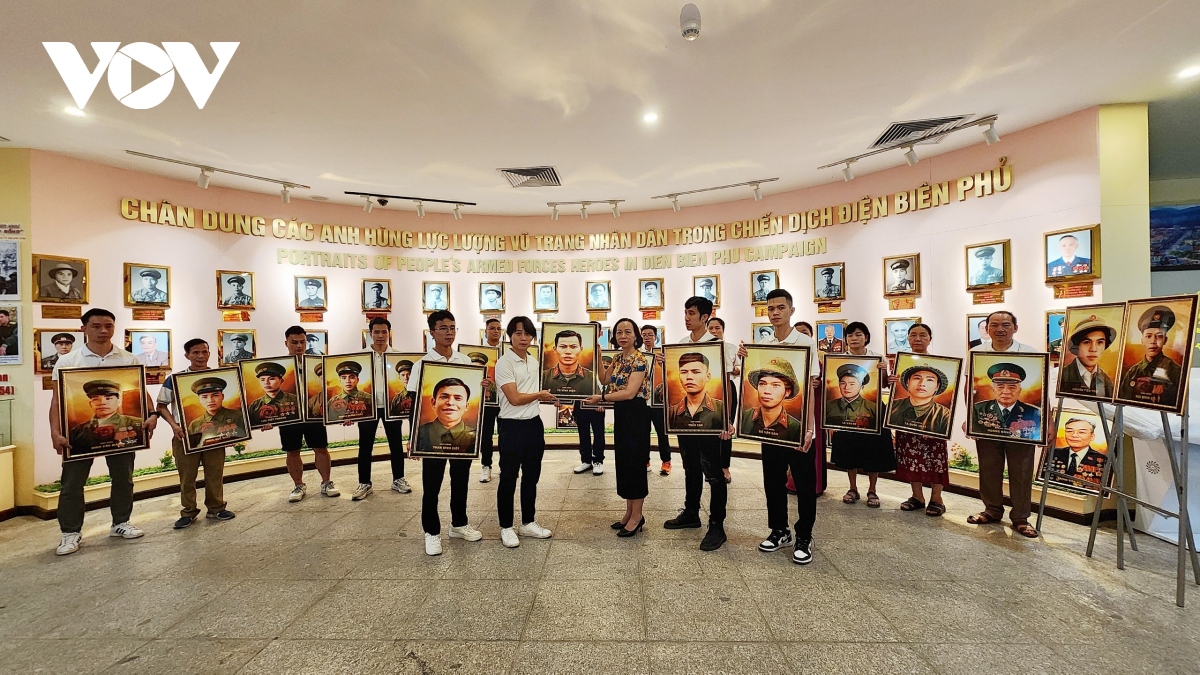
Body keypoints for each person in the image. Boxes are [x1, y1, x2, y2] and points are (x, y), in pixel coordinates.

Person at [49, 308, 158, 556]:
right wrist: (55, 432)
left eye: (108, 326)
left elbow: (143, 392)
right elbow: (57, 401)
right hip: (78, 440)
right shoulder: (68, 361)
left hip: (123, 434)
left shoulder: (128, 359)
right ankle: (70, 532)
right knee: (72, 483)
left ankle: (121, 522)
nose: (103, 331)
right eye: (96, 326)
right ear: (84, 329)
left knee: (123, 478)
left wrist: (152, 414)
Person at [738, 289, 821, 565]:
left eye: (780, 308)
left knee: (804, 483)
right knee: (772, 480)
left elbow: (809, 388)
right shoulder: (764, 343)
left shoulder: (805, 343)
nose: (775, 312)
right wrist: (744, 357)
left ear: (791, 310)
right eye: (771, 308)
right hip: (768, 429)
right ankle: (779, 530)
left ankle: (804, 536)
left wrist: (809, 428)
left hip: (797, 429)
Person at [409, 310, 482, 556]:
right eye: (443, 328)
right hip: (432, 438)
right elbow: (415, 406)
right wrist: (413, 439)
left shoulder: (464, 361)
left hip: (461, 436)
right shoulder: (421, 365)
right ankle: (431, 532)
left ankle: (459, 524)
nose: (449, 333)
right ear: (432, 332)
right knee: (431, 484)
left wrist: (483, 385)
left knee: (460, 480)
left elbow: (474, 395)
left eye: (452, 328)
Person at [661, 297, 729, 550]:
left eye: (691, 313)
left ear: (705, 317)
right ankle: (691, 512)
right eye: (685, 313)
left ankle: (717, 524)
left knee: (714, 473)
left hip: (710, 420)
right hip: (684, 419)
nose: (687, 318)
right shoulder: (680, 345)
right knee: (690, 466)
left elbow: (727, 387)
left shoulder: (719, 346)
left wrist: (727, 421)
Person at [967, 311, 1040, 538]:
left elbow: (1043, 393)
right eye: (994, 325)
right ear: (987, 328)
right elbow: (970, 389)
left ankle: (1021, 518)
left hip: (1024, 428)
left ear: (1015, 328)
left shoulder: (1030, 353)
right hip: (987, 424)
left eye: (1006, 325)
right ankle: (992, 509)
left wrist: (1047, 423)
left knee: (1021, 471)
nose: (1000, 329)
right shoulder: (976, 352)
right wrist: (971, 419)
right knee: (988, 468)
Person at [582, 318, 650, 538]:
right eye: (619, 332)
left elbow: (629, 393)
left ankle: (637, 516)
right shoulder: (619, 358)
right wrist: (598, 354)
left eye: (628, 332)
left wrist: (601, 398)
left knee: (636, 464)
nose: (623, 336)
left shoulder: (639, 359)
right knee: (625, 463)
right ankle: (629, 512)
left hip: (636, 414)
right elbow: (604, 379)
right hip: (622, 414)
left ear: (636, 335)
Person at [158, 338, 235, 529]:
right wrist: (174, 426)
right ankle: (188, 511)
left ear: (210, 353)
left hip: (214, 436)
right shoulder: (175, 379)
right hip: (185, 436)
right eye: (195, 352)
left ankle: (216, 508)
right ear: (187, 355)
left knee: (215, 473)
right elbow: (161, 406)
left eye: (204, 352)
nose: (201, 356)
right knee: (187, 476)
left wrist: (234, 432)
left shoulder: (219, 375)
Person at [494, 315, 558, 547]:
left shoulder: (534, 361)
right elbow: (514, 398)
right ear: (510, 336)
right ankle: (506, 527)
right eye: (518, 333)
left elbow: (538, 392)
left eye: (528, 334)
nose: (523, 338)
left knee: (532, 476)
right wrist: (540, 395)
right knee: (508, 477)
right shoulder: (504, 363)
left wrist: (553, 397)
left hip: (533, 424)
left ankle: (528, 522)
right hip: (511, 426)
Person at [828, 322, 896, 509]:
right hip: (845, 413)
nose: (854, 338)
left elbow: (883, 384)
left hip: (873, 411)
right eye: (850, 335)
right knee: (849, 450)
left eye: (858, 334)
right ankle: (852, 488)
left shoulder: (877, 357)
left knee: (874, 449)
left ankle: (872, 490)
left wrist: (886, 374)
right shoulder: (838, 359)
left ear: (866, 337)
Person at [271, 326, 338, 502]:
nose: (299, 346)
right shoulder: (280, 367)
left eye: (302, 342)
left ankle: (326, 482)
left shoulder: (317, 363)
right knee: (292, 450)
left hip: (313, 414)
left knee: (321, 448)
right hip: (289, 415)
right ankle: (298, 485)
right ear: (286, 343)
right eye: (294, 342)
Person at [892, 323, 952, 517]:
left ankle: (937, 499)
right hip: (906, 427)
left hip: (933, 432)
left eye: (923, 335)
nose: (917, 339)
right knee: (910, 459)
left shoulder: (943, 413)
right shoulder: (901, 365)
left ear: (930, 339)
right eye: (913, 335)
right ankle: (917, 496)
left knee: (936, 460)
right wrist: (890, 381)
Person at [350, 317, 412, 501]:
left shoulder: (397, 356)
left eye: (384, 332)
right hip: (367, 407)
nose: (380, 335)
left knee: (395, 444)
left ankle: (398, 479)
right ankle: (364, 483)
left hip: (391, 407)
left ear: (389, 333)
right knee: (365, 445)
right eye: (376, 332)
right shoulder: (361, 357)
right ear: (370, 334)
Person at [1117, 305, 1183, 408]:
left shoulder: (1176, 371)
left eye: (1159, 336)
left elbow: (1177, 403)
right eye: (1148, 336)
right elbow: (1122, 400)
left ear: (1165, 340)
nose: (1153, 341)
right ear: (1142, 341)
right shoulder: (1133, 372)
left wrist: (1165, 392)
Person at [68, 380, 144, 453]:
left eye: (108, 398)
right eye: (95, 399)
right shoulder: (77, 432)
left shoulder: (138, 424)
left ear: (119, 402)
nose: (102, 403)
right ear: (90, 404)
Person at [971, 363, 1042, 441]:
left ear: (1019, 391)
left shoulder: (1034, 413)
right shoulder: (978, 409)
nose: (1006, 391)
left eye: (1012, 387)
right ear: (993, 390)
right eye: (1000, 387)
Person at [707, 316, 739, 483]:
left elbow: (739, 368)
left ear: (723, 330)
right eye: (711, 328)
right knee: (709, 430)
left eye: (717, 328)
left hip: (728, 388)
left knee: (726, 428)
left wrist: (732, 369)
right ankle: (711, 467)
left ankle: (725, 467)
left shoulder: (731, 348)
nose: (714, 331)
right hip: (709, 389)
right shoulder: (703, 347)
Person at [640, 324, 672, 475]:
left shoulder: (662, 354)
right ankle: (645, 460)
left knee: (662, 432)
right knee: (643, 433)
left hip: (658, 401)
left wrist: (663, 364)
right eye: (644, 335)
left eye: (650, 335)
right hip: (641, 401)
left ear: (655, 337)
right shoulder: (637, 354)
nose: (647, 337)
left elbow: (670, 374)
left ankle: (666, 461)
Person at [1059, 315, 1117, 397]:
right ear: (1076, 346)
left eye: (1100, 342)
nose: (1093, 349)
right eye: (1086, 342)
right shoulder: (1062, 376)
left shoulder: (1106, 380)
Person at [414, 378, 477, 453]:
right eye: (444, 397)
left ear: (466, 406)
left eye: (458, 398)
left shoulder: (475, 437)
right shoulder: (419, 433)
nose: (450, 402)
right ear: (433, 403)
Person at [187, 376, 248, 448]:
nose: (210, 400)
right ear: (199, 400)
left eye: (215, 395)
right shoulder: (194, 425)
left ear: (222, 396)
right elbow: (192, 448)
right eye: (204, 397)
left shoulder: (239, 416)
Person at [478, 318, 504, 482]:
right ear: (485, 331)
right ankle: (486, 466)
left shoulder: (506, 352)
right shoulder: (478, 352)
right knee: (485, 435)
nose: (495, 331)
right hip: (486, 401)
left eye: (498, 329)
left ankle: (505, 466)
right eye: (492, 328)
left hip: (504, 400)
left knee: (505, 435)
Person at [1048, 417, 1107, 485]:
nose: (1074, 435)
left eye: (1081, 432)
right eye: (1069, 431)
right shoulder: (1053, 453)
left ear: (1092, 436)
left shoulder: (1102, 460)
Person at [247, 361, 300, 426]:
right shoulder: (254, 406)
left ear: (281, 381)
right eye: (262, 380)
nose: (266, 382)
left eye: (271, 379)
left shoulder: (296, 400)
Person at [542, 329, 593, 396]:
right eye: (563, 347)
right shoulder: (543, 377)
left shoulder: (592, 378)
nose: (568, 352)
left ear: (581, 350)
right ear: (555, 349)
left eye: (573, 347)